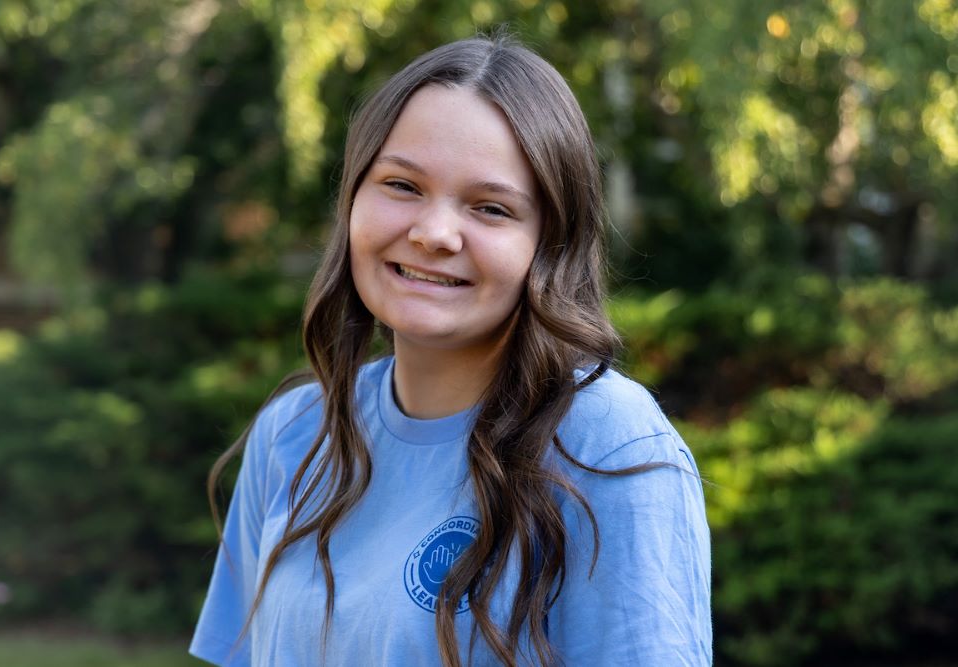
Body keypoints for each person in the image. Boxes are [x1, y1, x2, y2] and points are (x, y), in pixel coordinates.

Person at [190, 34, 711, 666]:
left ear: (551, 242)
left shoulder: (607, 445)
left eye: (490, 208)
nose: (434, 233)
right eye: (402, 186)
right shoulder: (292, 437)